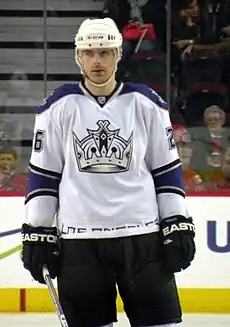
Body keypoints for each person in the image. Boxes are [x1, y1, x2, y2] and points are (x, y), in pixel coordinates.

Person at [21, 18, 195, 327]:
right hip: (80, 240)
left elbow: (166, 171)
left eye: (105, 52)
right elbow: (44, 175)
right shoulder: (57, 106)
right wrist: (37, 229)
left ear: (118, 55)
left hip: (143, 238)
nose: (97, 60)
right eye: (89, 53)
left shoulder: (146, 103)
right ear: (78, 57)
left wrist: (177, 220)